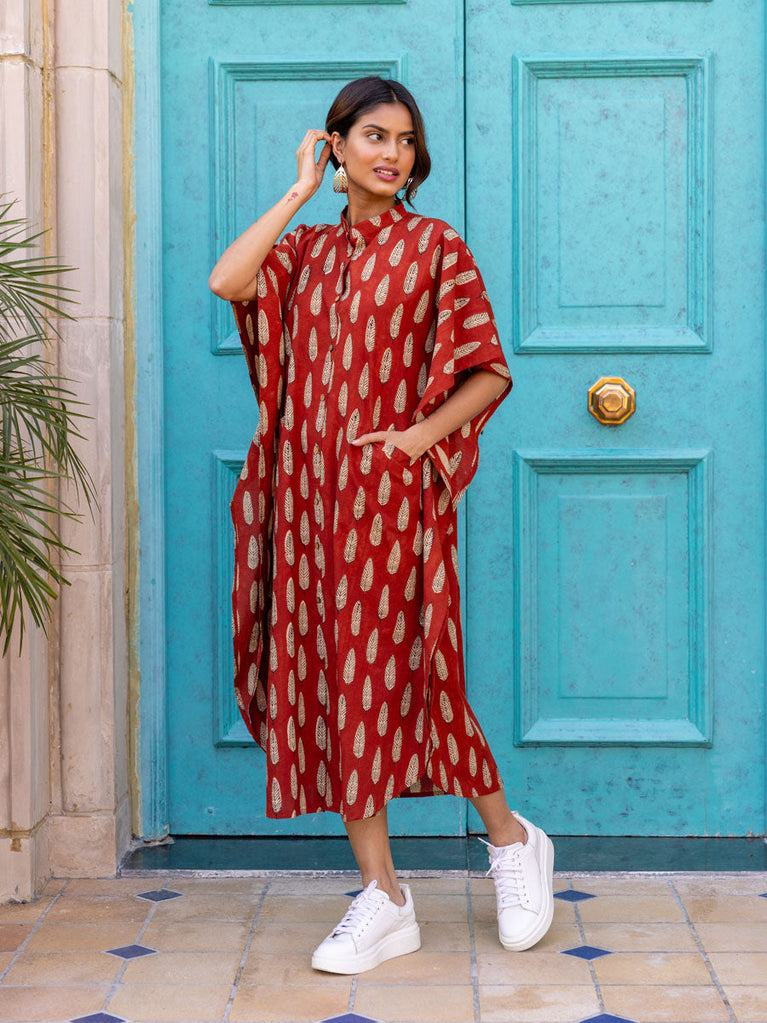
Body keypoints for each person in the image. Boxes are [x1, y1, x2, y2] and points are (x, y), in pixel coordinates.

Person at [209, 76, 554, 975]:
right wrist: (298, 191)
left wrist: (413, 440)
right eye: (372, 135)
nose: (391, 153)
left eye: (404, 139)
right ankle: (384, 894)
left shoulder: (436, 248)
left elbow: (487, 371)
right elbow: (227, 280)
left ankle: (511, 841)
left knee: (420, 670)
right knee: (336, 677)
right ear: (336, 145)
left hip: (393, 502)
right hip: (306, 502)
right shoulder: (304, 251)